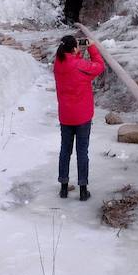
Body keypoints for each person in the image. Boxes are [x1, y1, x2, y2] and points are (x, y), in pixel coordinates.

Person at [53, 33, 105, 201]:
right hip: (82, 117)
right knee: (82, 152)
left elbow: (72, 64)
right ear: (74, 48)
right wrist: (91, 47)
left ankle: (63, 188)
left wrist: (78, 52)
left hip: (65, 116)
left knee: (65, 151)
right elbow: (99, 66)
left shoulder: (58, 63)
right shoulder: (79, 65)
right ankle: (83, 190)